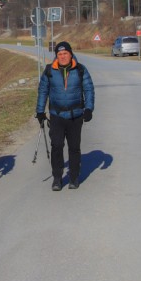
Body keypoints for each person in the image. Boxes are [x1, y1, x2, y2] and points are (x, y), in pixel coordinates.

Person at [35, 41, 95, 191]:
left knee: (74, 148)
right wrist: (40, 111)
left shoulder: (80, 70)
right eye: (59, 54)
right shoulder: (49, 71)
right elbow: (43, 91)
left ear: (70, 53)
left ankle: (74, 177)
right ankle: (57, 178)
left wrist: (89, 109)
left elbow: (89, 89)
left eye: (65, 54)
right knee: (56, 146)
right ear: (56, 56)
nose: (62, 57)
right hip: (57, 115)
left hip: (76, 116)